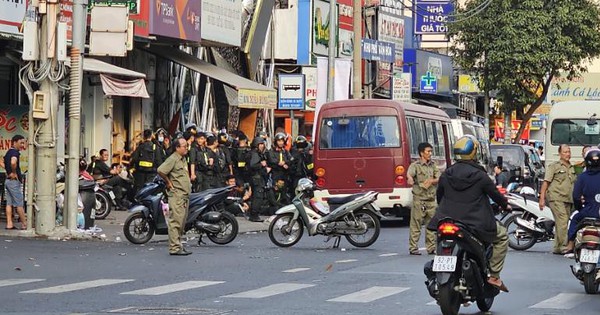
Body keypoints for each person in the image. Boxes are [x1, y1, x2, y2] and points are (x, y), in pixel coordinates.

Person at [428, 136, 510, 292]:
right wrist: (505, 205)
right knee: (502, 236)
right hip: (475, 223)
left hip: (446, 220)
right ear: (473, 153)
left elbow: (440, 196)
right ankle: (494, 275)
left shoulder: (446, 174)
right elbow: (496, 196)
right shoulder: (480, 175)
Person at [539, 144, 576, 255]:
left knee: (561, 223)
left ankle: (557, 246)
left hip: (568, 199)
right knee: (563, 221)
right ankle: (564, 246)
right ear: (560, 153)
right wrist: (542, 198)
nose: (567, 154)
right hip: (556, 197)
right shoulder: (554, 166)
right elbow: (546, 182)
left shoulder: (571, 167)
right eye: (565, 152)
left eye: (569, 152)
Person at [157, 137, 192, 256]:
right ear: (177, 148)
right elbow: (161, 170)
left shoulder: (182, 159)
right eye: (184, 146)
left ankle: (179, 245)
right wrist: (168, 182)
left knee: (181, 222)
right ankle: (174, 248)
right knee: (175, 222)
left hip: (184, 195)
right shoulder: (173, 159)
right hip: (177, 195)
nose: (186, 148)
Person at [563, 148, 600, 253]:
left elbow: (576, 196)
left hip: (587, 211)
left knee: (573, 219)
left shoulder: (583, 177)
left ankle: (570, 244)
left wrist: (580, 209)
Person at [407, 142, 440, 255]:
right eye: (428, 151)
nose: (430, 154)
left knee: (431, 226)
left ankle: (431, 248)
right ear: (422, 153)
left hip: (431, 200)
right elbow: (410, 175)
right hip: (419, 200)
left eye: (431, 151)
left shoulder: (433, 165)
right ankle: (413, 248)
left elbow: (439, 177)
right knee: (416, 225)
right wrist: (410, 179)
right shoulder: (415, 165)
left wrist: (431, 181)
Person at [4, 135, 27, 230]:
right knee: (19, 203)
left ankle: (9, 224)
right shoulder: (15, 152)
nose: (22, 145)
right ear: (15, 142)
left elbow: (3, 162)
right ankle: (24, 224)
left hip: (8, 181)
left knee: (9, 203)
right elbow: (13, 162)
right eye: (21, 143)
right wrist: (13, 172)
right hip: (13, 182)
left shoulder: (8, 152)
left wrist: (8, 171)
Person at [247, 137, 270, 222]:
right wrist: (262, 164)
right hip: (257, 178)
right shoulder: (255, 154)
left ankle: (253, 213)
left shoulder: (254, 153)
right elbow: (253, 165)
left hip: (255, 178)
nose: (262, 146)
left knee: (256, 196)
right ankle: (254, 215)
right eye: (261, 144)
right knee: (258, 196)